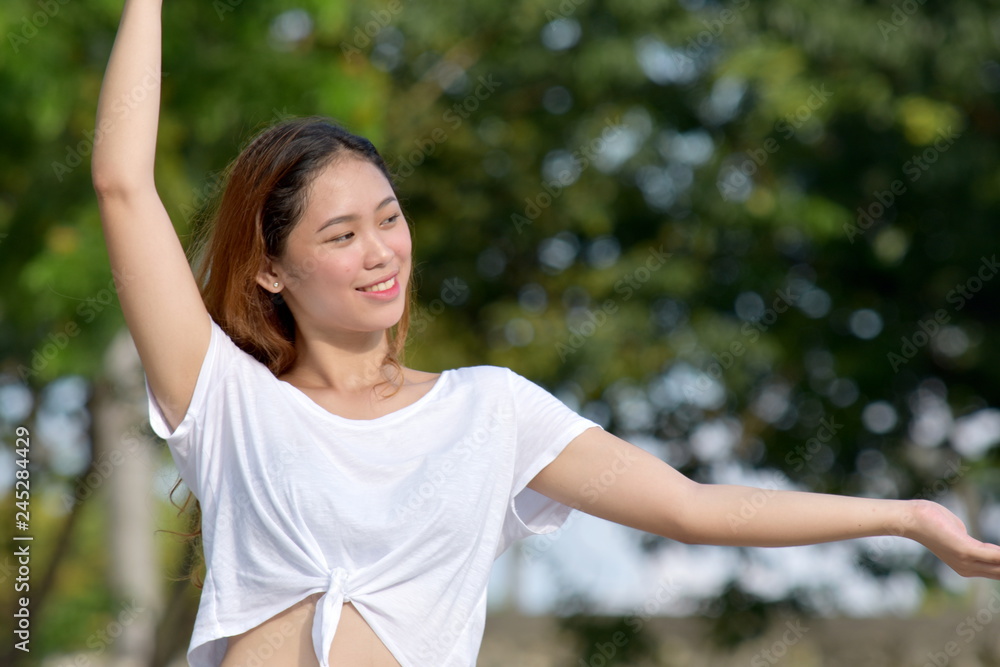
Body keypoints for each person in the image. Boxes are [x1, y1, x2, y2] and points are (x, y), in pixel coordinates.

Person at [91, 1, 1000, 666]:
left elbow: (693, 506)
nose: (382, 254)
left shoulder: (490, 411)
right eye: (341, 235)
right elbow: (123, 183)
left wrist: (904, 517)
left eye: (389, 217)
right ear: (268, 268)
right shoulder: (225, 399)